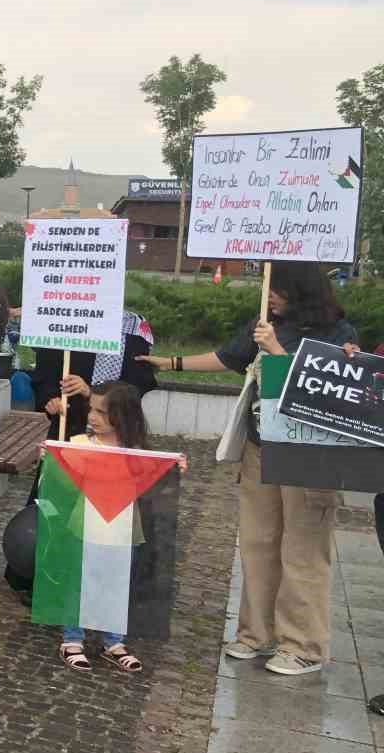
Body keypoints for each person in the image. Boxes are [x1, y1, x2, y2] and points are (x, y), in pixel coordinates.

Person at [143, 262, 355, 676]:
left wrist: (277, 350)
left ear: (301, 289)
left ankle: (304, 645)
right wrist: (171, 363)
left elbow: (330, 390)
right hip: (262, 446)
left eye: (277, 288)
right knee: (258, 542)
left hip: (310, 454)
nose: (269, 295)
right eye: (267, 287)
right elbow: (226, 357)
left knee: (303, 548)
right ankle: (256, 634)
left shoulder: (338, 333)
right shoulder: (263, 322)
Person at [54, 382, 178, 674]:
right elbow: (62, 480)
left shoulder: (136, 452)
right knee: (80, 581)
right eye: (91, 409)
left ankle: (113, 641)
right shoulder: (79, 443)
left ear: (122, 416)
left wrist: (174, 466)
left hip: (122, 528)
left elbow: (152, 476)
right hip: (85, 524)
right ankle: (72, 639)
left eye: (102, 412)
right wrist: (53, 456)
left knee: (116, 583)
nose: (93, 417)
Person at [34, 310, 158, 439]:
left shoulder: (133, 328)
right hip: (66, 426)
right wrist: (51, 400)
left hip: (115, 435)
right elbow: (45, 375)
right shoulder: (63, 319)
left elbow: (136, 386)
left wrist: (91, 393)